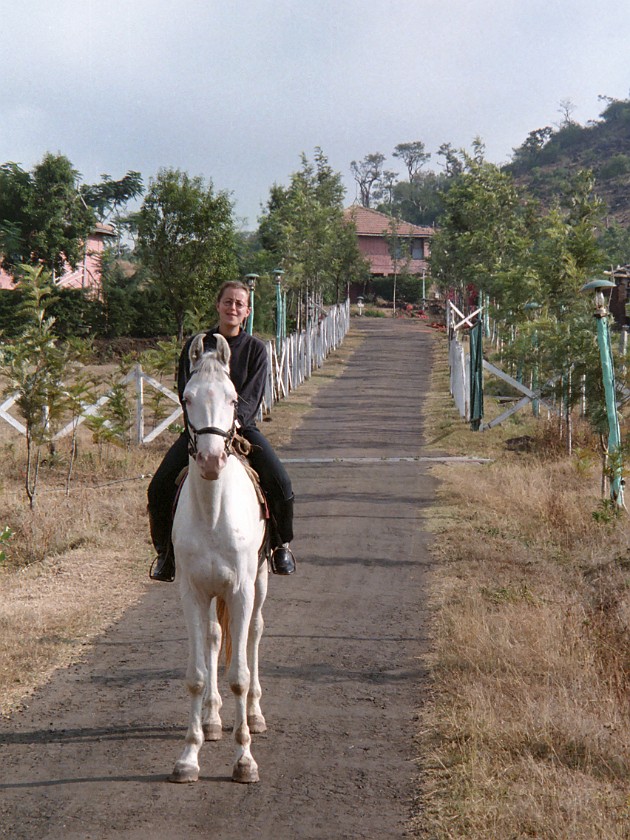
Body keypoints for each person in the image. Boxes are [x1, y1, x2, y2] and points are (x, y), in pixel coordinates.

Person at [147, 280, 296, 581]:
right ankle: (166, 554)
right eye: (228, 302)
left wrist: (235, 422)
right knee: (159, 486)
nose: (233, 308)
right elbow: (186, 388)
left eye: (239, 304)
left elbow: (253, 395)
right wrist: (199, 425)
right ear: (218, 305)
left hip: (241, 428)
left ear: (247, 311)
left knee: (280, 482)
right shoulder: (196, 346)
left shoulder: (256, 350)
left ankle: (280, 546)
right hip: (201, 429)